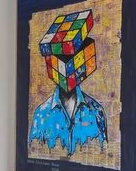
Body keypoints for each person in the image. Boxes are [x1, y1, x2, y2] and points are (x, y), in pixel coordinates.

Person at [29, 9, 107, 155]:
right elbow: (34, 154)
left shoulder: (97, 112)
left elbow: (104, 154)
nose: (67, 66)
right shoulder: (41, 114)